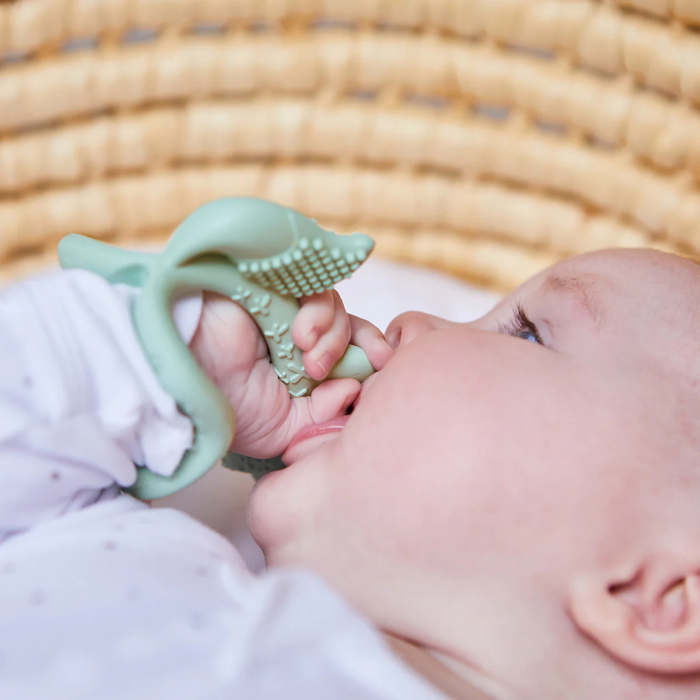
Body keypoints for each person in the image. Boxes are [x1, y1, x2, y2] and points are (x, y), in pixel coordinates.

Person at [1, 247, 699, 699]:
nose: (410, 322)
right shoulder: (145, 554)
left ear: (657, 598)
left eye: (527, 331)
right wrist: (178, 361)